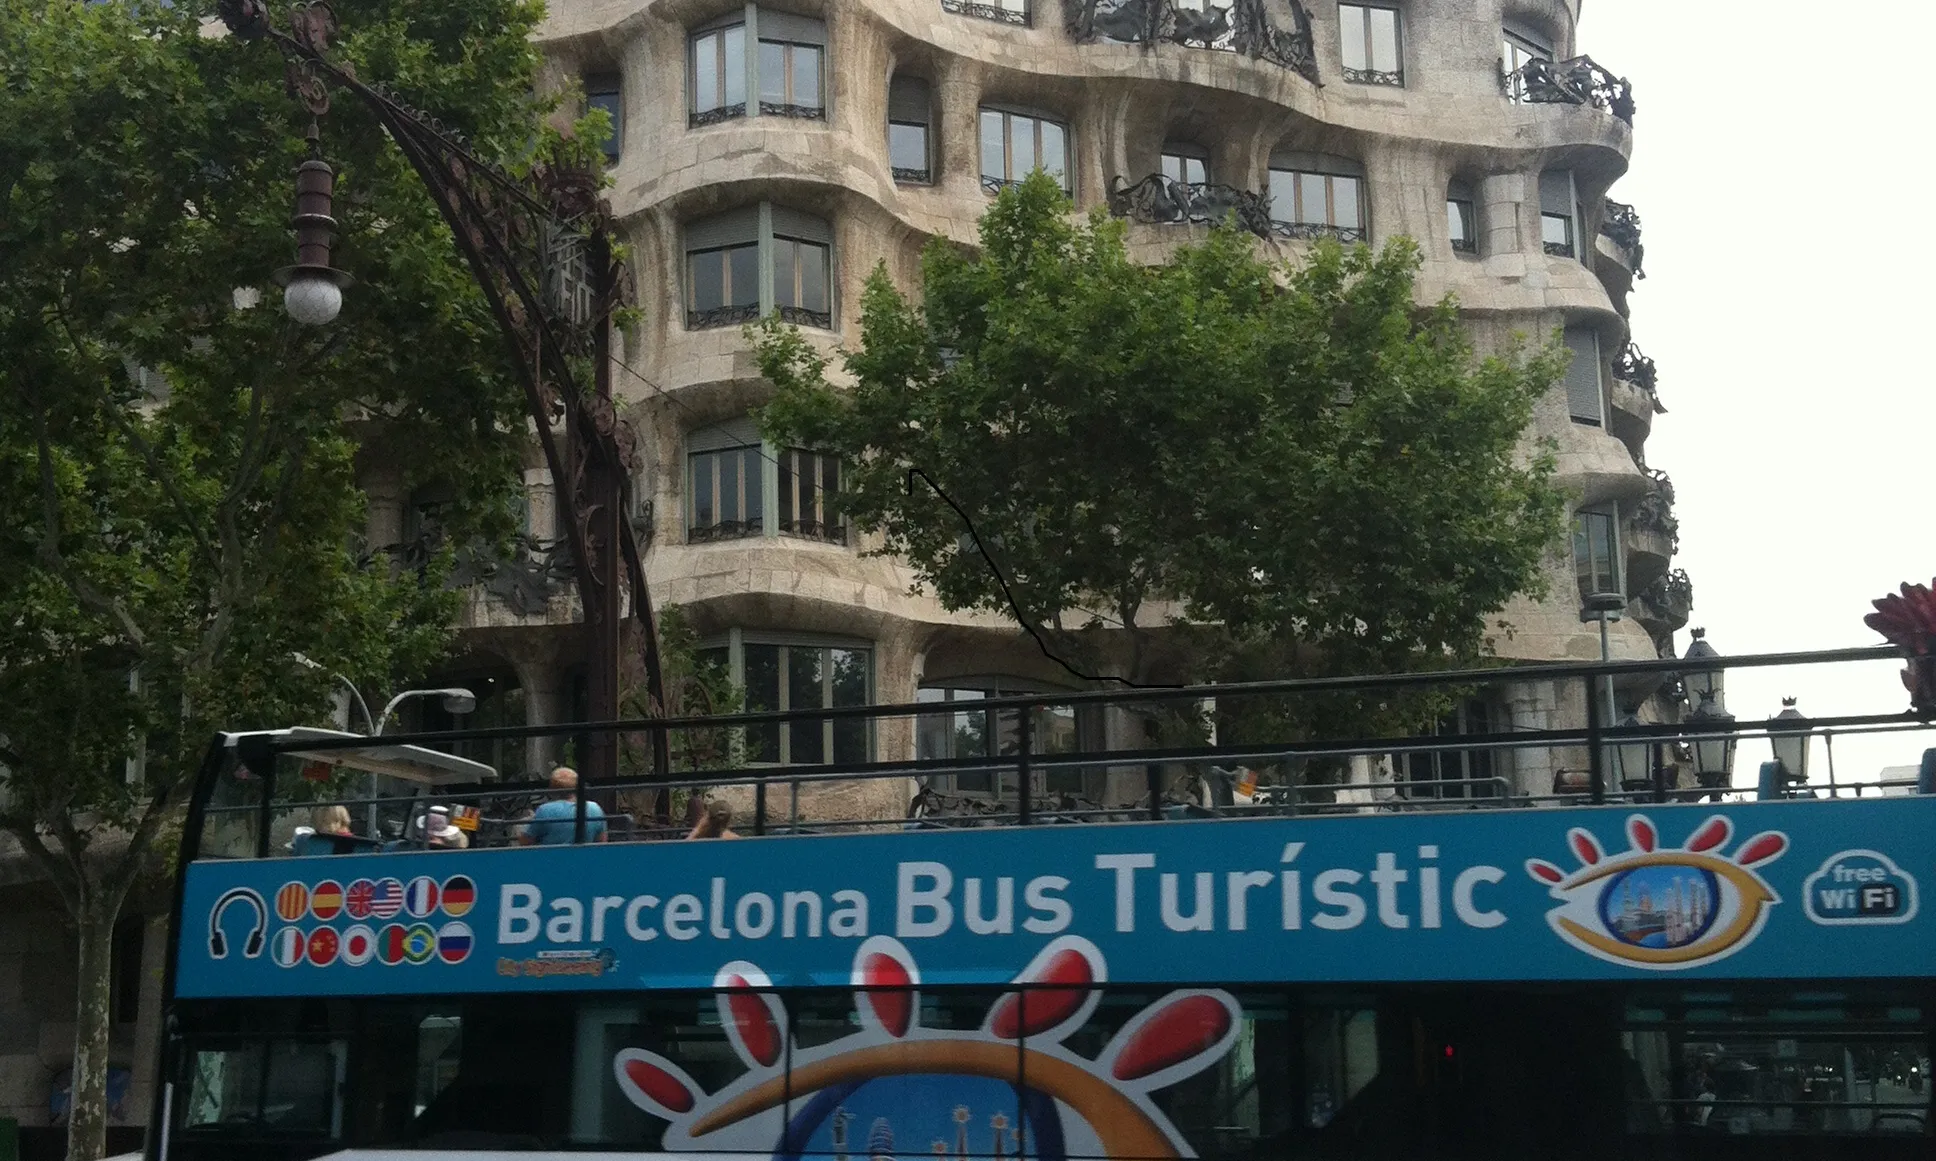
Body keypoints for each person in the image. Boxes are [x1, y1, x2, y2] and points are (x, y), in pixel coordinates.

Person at [519, 767, 607, 845]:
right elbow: (602, 841)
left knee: (519, 827)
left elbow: (526, 842)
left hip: (551, 860)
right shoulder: (595, 808)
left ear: (552, 788)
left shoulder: (545, 810)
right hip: (585, 859)